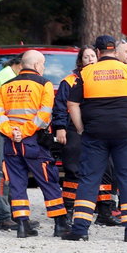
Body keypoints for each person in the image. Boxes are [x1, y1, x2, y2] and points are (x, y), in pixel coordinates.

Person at [62, 35, 127, 242]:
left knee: (88, 179)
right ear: (114, 51)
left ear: (98, 51)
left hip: (95, 133)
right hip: (126, 133)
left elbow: (72, 104)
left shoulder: (86, 73)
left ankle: (80, 229)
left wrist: (81, 128)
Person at [0, 50, 68, 238]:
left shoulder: (6, 85)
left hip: (11, 142)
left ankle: (22, 226)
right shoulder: (44, 84)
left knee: (17, 183)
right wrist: (24, 132)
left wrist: (12, 132)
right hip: (33, 141)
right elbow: (44, 114)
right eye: (42, 64)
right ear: (35, 65)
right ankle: (60, 224)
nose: (43, 67)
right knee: (48, 180)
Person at [51, 47, 98, 220]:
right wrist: (60, 127)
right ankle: (69, 207)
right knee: (73, 169)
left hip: (95, 127)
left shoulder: (101, 79)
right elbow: (60, 106)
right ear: (81, 60)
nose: (90, 59)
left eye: (93, 56)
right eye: (86, 57)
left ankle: (99, 208)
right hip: (72, 128)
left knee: (97, 168)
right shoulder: (69, 81)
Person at [0, 57, 22, 230]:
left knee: (8, 172)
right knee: (1, 173)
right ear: (20, 65)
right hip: (0, 127)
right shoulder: (8, 77)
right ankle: (3, 217)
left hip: (2, 125)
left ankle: (13, 215)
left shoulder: (6, 73)